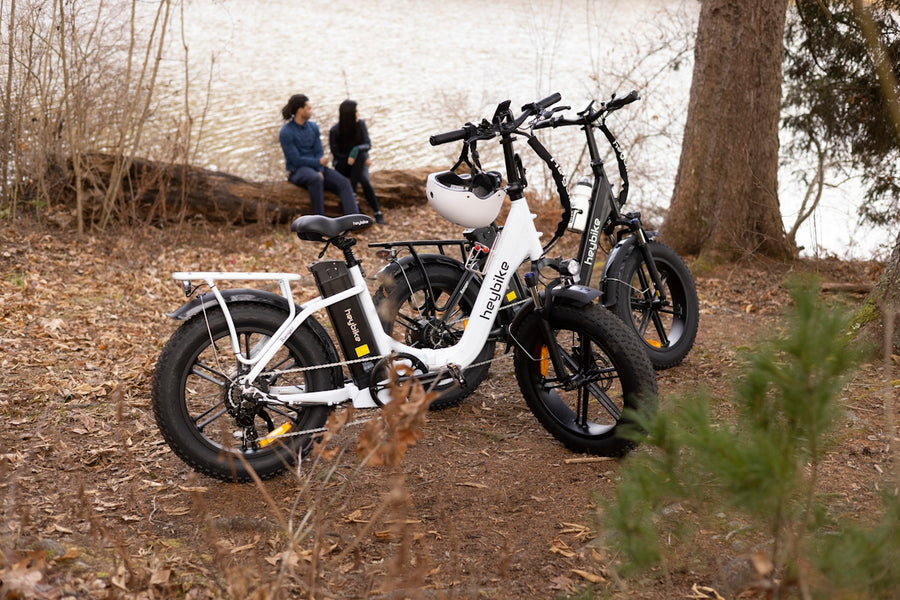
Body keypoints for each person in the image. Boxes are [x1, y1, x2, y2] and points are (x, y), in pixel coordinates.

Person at [279, 94, 359, 216]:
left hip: (317, 169)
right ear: (301, 110)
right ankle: (320, 223)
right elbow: (295, 160)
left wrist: (320, 169)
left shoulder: (313, 127)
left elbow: (318, 152)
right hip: (297, 171)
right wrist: (317, 165)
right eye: (309, 108)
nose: (311, 111)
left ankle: (355, 220)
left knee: (343, 182)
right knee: (315, 179)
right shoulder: (286, 132)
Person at [329, 100, 385, 224]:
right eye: (356, 112)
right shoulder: (334, 130)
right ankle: (376, 212)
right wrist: (354, 158)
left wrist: (355, 151)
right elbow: (336, 154)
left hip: (359, 162)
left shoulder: (361, 124)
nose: (358, 114)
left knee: (364, 178)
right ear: (349, 115)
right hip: (344, 165)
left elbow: (367, 144)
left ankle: (375, 210)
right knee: (361, 160)